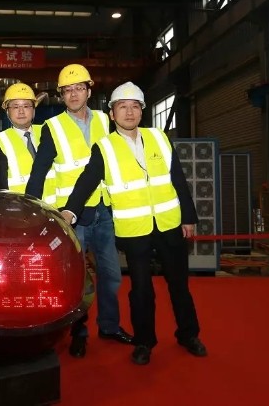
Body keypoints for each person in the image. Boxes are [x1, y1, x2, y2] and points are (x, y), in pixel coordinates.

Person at [60, 81, 207, 365]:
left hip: (169, 224)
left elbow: (178, 179)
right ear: (112, 114)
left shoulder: (159, 138)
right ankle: (144, 342)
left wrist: (188, 216)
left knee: (179, 285)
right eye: (122, 107)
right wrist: (69, 212)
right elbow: (86, 182)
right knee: (141, 290)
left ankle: (188, 334)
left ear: (142, 111)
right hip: (135, 230)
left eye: (135, 107)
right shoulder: (105, 147)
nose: (129, 112)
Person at [26, 64, 132, 358]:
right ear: (61, 95)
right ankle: (78, 332)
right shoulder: (53, 127)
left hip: (104, 210)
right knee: (76, 280)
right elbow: (39, 170)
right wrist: (30, 208)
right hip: (73, 217)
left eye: (79, 88)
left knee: (111, 275)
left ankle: (109, 326)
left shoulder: (105, 120)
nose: (74, 94)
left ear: (89, 90)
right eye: (68, 90)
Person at [0, 82, 55, 205]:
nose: (21, 111)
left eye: (26, 106)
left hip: (53, 209)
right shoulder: (0, 141)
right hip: (21, 210)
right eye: (15, 107)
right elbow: (0, 186)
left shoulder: (47, 132)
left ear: (34, 110)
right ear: (7, 112)